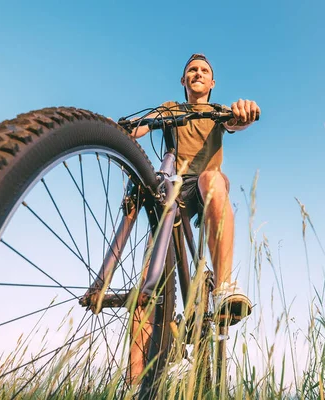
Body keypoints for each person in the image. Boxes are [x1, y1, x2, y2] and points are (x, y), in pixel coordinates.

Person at [127, 53, 260, 381]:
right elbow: (143, 125)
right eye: (191, 71)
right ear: (184, 81)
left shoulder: (217, 112)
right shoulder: (171, 107)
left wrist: (245, 113)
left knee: (211, 178)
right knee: (146, 285)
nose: (197, 74)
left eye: (203, 71)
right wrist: (127, 129)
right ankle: (134, 383)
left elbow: (235, 122)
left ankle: (223, 286)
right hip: (174, 187)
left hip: (205, 185)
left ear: (212, 83)